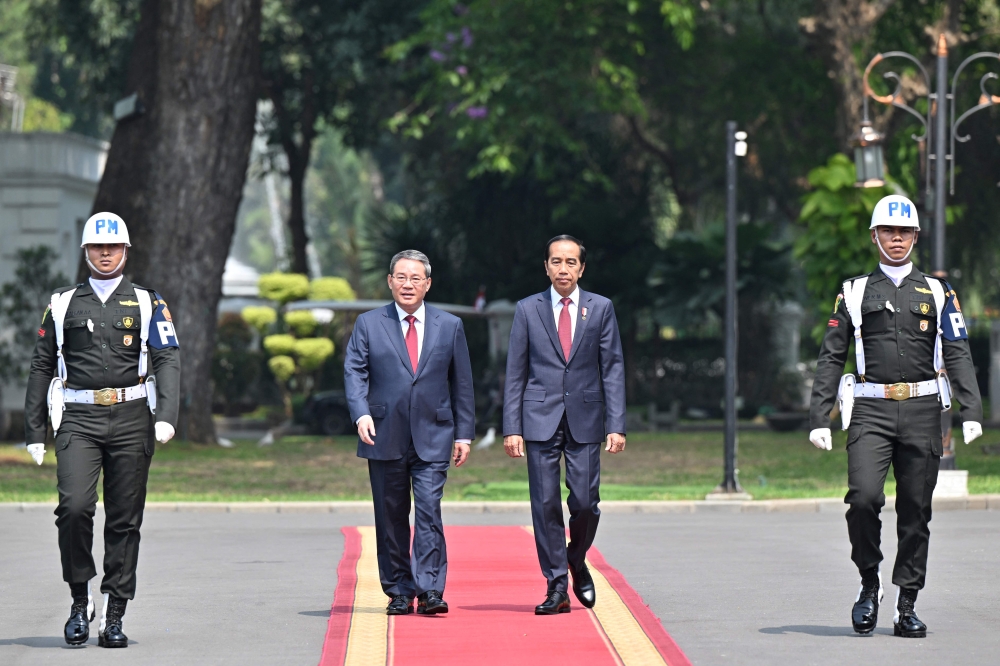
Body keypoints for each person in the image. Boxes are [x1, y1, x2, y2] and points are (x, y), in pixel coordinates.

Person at [808, 194, 982, 638]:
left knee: (915, 510)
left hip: (924, 410)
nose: (897, 238)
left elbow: (959, 352)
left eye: (905, 232)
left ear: (916, 236)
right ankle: (870, 584)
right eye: (889, 230)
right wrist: (818, 417)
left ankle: (907, 603)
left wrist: (970, 409)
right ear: (875, 236)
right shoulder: (853, 292)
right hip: (871, 408)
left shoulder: (940, 292)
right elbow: (832, 357)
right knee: (863, 499)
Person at [24, 212, 181, 648]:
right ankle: (80, 600)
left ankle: (114, 614)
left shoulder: (149, 302)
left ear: (126, 250)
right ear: (86, 252)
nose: (106, 253)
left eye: (113, 247)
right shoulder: (62, 303)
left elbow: (167, 356)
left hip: (132, 417)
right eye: (97, 247)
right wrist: (35, 428)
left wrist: (166, 413)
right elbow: (41, 364)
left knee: (124, 520)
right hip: (78, 418)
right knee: (74, 509)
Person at [344, 249, 475, 616]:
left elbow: (461, 384)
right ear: (389, 281)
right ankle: (399, 590)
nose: (408, 284)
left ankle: (431, 589)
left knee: (429, 511)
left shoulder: (450, 326)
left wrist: (464, 434)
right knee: (391, 516)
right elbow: (355, 373)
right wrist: (361, 414)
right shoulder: (369, 324)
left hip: (434, 435)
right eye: (401, 277)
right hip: (383, 433)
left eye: (416, 278)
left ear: (428, 284)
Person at [503, 235, 627, 615]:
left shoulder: (600, 308)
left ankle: (576, 559)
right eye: (556, 261)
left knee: (586, 503)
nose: (563, 268)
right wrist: (512, 426)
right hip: (539, 418)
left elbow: (613, 368)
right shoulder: (528, 309)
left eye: (571, 262)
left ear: (582, 268)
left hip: (586, 418)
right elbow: (515, 372)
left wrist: (616, 423)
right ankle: (556, 586)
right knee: (544, 505)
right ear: (546, 267)